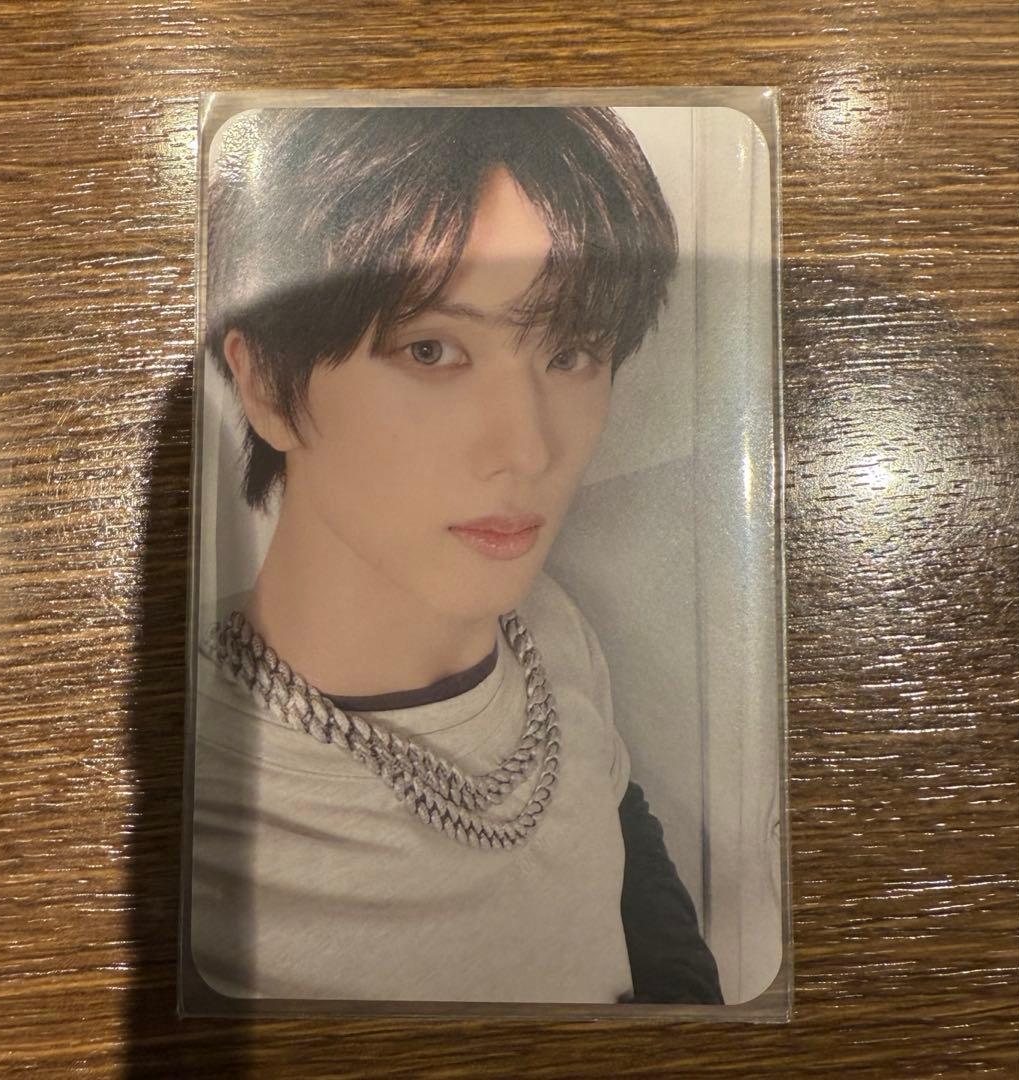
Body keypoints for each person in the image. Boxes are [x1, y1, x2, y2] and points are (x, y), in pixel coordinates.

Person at [190, 106, 723, 1005]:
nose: (528, 450)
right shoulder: (194, 819)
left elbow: (617, 836)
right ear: (267, 383)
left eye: (571, 353)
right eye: (431, 350)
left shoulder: (551, 625)